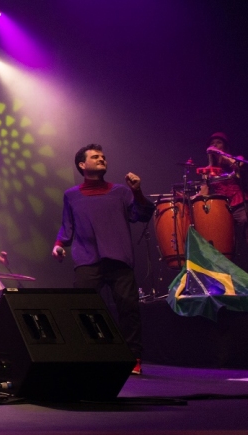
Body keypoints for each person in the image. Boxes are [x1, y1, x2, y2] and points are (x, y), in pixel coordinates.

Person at [52, 144, 154, 375]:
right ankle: (88, 356)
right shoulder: (72, 195)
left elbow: (142, 215)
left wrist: (137, 191)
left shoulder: (121, 191)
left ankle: (132, 358)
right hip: (87, 259)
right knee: (83, 309)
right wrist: (59, 245)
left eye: (103, 157)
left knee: (128, 308)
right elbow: (67, 226)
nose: (101, 159)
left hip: (119, 258)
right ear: (82, 164)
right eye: (95, 157)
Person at [202, 132, 248, 275]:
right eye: (212, 143)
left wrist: (221, 155)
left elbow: (238, 168)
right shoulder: (208, 171)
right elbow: (204, 192)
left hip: (241, 205)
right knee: (226, 249)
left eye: (218, 142)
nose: (214, 145)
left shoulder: (237, 159)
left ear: (225, 146)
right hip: (222, 210)